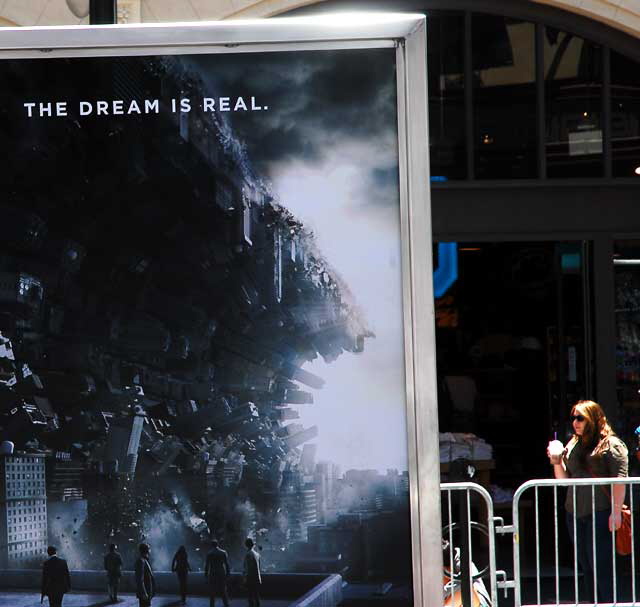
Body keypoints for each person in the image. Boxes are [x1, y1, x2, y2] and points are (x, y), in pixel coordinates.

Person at [547, 400, 628, 603]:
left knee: (601, 565)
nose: (575, 422)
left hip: (600, 513)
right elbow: (564, 480)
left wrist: (616, 512)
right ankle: (592, 602)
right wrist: (556, 460)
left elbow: (620, 480)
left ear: (593, 418)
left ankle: (609, 602)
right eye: (573, 417)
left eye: (580, 418)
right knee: (586, 565)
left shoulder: (611, 444)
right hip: (574, 512)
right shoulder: (573, 443)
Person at [204, 539, 231, 607]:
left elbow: (207, 565)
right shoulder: (223, 552)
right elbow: (227, 564)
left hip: (213, 574)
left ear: (211, 545)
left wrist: (206, 575)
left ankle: (212, 605)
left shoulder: (209, 553)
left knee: (212, 592)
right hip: (221, 573)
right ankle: (226, 605)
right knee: (223, 591)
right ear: (217, 544)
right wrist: (228, 573)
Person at [135, 543, 155, 607]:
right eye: (149, 549)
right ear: (146, 550)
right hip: (145, 593)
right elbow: (140, 579)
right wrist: (144, 593)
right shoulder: (141, 561)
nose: (150, 551)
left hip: (147, 592)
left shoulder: (144, 560)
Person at [243, 538, 262, 607]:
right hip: (257, 577)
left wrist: (245, 578)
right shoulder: (257, 554)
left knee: (250, 596)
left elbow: (248, 568)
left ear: (246, 545)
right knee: (256, 596)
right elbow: (259, 567)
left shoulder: (248, 554)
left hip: (250, 578)